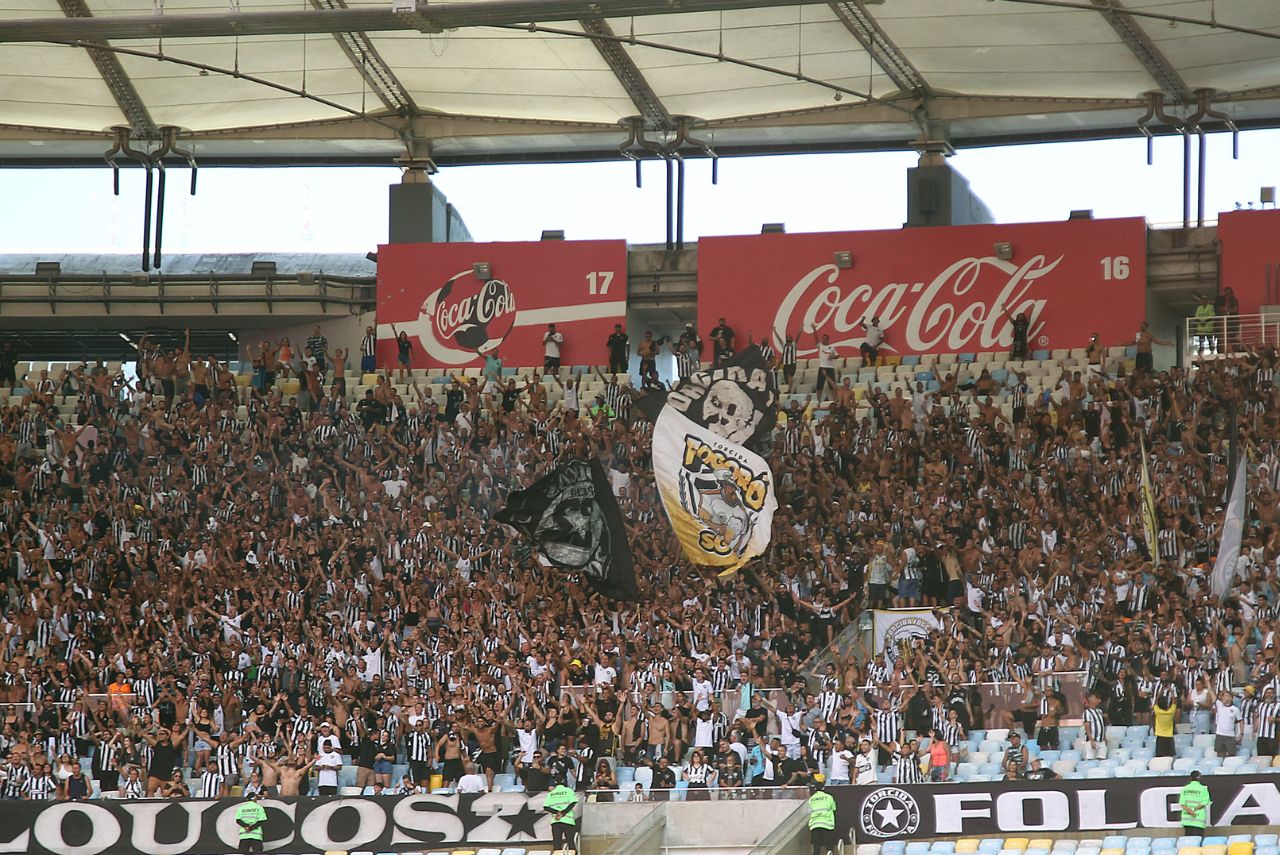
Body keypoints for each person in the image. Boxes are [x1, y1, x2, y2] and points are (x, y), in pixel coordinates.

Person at [543, 778, 578, 854]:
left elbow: (546, 807)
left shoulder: (551, 793)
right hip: (568, 820)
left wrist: (557, 812)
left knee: (557, 843)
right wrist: (563, 812)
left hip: (556, 821)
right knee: (571, 842)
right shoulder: (569, 791)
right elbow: (573, 803)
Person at [807, 773, 838, 855]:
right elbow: (834, 808)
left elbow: (808, 812)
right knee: (830, 848)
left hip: (815, 825)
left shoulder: (811, 799)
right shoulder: (829, 797)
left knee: (816, 847)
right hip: (827, 825)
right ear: (823, 787)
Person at [235, 788, 269, 854]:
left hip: (244, 835)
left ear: (247, 799)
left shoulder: (241, 808)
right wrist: (251, 828)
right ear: (255, 799)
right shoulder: (259, 808)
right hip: (256, 835)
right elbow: (262, 820)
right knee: (258, 853)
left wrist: (246, 827)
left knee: (242, 853)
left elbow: (238, 820)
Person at [1179, 770, 1211, 836]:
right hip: (1198, 819)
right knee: (1198, 840)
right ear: (1199, 777)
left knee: (1189, 841)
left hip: (1187, 819)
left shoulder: (1185, 788)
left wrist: (1189, 811)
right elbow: (1204, 802)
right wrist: (1193, 810)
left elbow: (1182, 803)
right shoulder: (1203, 789)